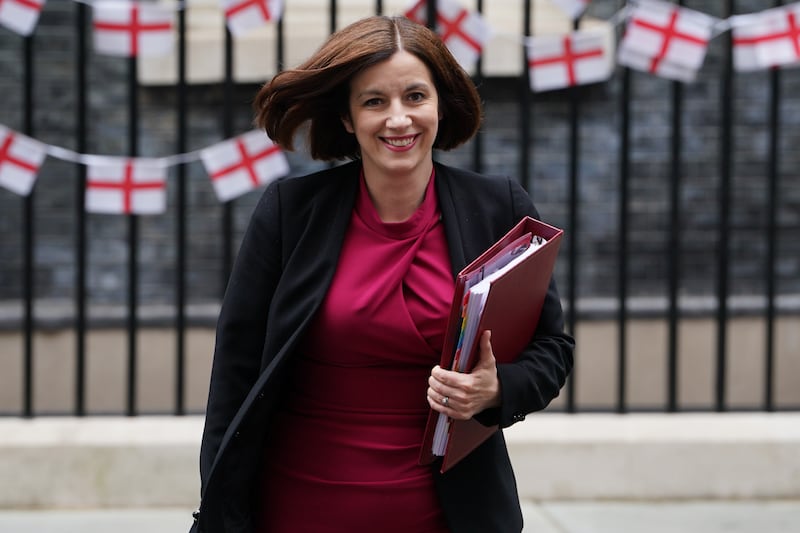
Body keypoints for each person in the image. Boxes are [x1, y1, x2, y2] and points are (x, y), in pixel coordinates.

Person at [190, 15, 574, 533]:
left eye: (415, 96)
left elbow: (553, 347)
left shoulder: (496, 207)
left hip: (447, 512)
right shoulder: (290, 211)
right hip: (297, 506)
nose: (399, 119)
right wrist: (219, 511)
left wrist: (497, 389)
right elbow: (234, 372)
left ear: (439, 103)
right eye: (374, 101)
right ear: (348, 118)